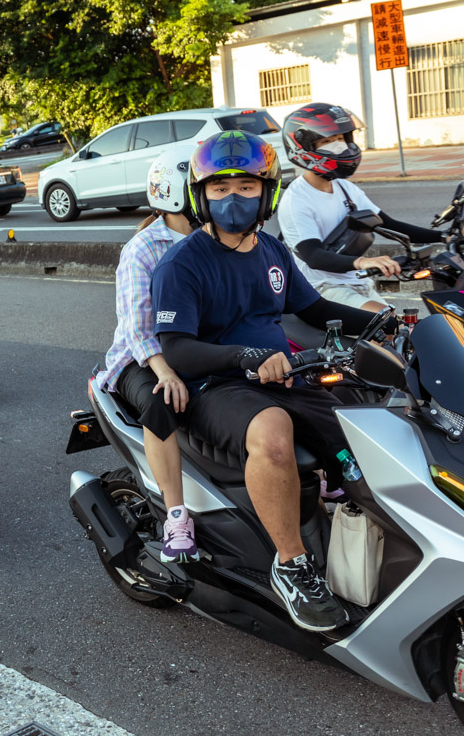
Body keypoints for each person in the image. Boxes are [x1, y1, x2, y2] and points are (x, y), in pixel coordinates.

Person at [151, 130, 376, 633]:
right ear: (200, 195)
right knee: (272, 431)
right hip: (215, 386)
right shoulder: (182, 264)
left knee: (361, 425)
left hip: (283, 374)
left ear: (267, 194)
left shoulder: (271, 250)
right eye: (220, 189)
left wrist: (385, 325)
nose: (233, 199)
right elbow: (177, 348)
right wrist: (245, 355)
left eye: (247, 188)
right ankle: (291, 565)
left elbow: (312, 307)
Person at [99, 149, 199, 561]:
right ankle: (176, 516)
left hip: (193, 349)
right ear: (176, 195)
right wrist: (164, 370)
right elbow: (137, 327)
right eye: (205, 188)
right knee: (162, 401)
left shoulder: (216, 238)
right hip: (140, 359)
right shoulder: (142, 249)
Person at [277, 102, 453, 312]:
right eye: (327, 141)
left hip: (358, 283)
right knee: (388, 326)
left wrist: (444, 237)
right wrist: (363, 262)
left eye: (341, 138)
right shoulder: (296, 200)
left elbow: (389, 224)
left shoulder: (345, 188)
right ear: (304, 148)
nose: (339, 146)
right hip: (321, 289)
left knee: (407, 334)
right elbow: (312, 256)